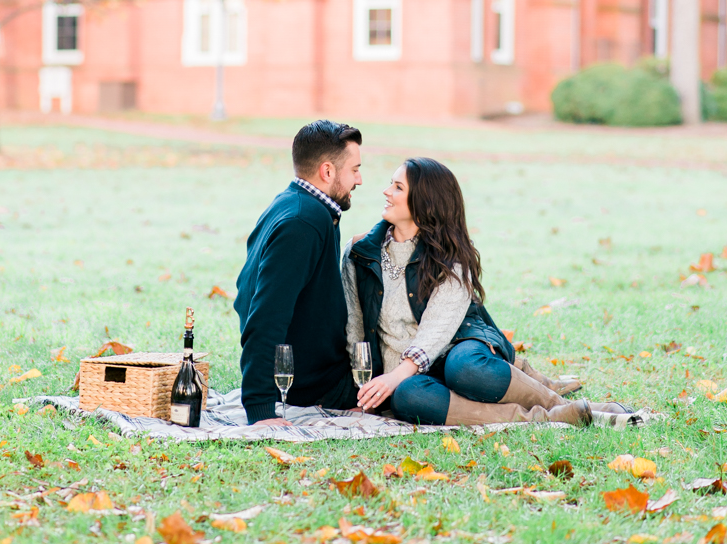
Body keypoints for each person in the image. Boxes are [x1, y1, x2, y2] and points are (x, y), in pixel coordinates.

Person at [343, 157, 636, 427]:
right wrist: (364, 391)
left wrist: (396, 375)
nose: (385, 192)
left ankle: (566, 406)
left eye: (397, 187)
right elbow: (355, 331)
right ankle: (546, 418)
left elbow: (435, 330)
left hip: (458, 350)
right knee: (408, 398)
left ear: (424, 202)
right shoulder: (361, 254)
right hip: (410, 377)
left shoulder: (450, 258)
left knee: (466, 369)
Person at [234, 120, 363, 426]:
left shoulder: (295, 202)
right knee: (417, 385)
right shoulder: (304, 222)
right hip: (315, 384)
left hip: (321, 371)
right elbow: (266, 316)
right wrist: (261, 408)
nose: (360, 179)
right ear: (328, 171)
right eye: (355, 169)